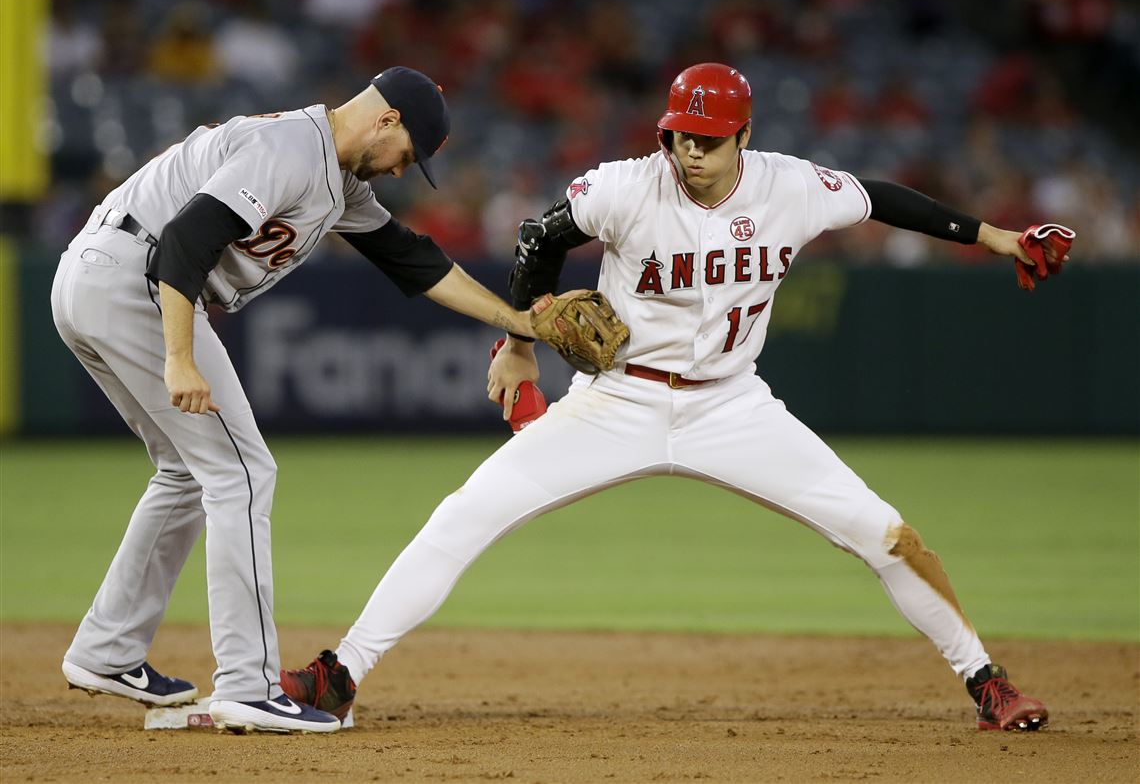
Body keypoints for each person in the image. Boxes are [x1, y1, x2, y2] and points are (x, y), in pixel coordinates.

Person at [282, 63, 1065, 732]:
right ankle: (341, 674)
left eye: (709, 138)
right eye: (680, 135)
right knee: (465, 513)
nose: (689, 150)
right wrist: (521, 346)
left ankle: (985, 680)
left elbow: (888, 199)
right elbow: (539, 238)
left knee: (885, 534)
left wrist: (998, 239)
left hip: (733, 407)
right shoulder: (627, 187)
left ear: (743, 137)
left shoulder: (791, 187)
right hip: (616, 401)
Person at [52, 66, 540, 734]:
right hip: (136, 277)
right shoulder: (289, 149)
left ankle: (108, 650)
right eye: (409, 155)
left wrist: (520, 323)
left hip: (97, 278)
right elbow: (186, 243)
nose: (404, 171)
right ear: (387, 120)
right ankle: (247, 684)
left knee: (187, 473)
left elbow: (413, 260)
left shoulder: (338, 181)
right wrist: (178, 356)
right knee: (244, 472)